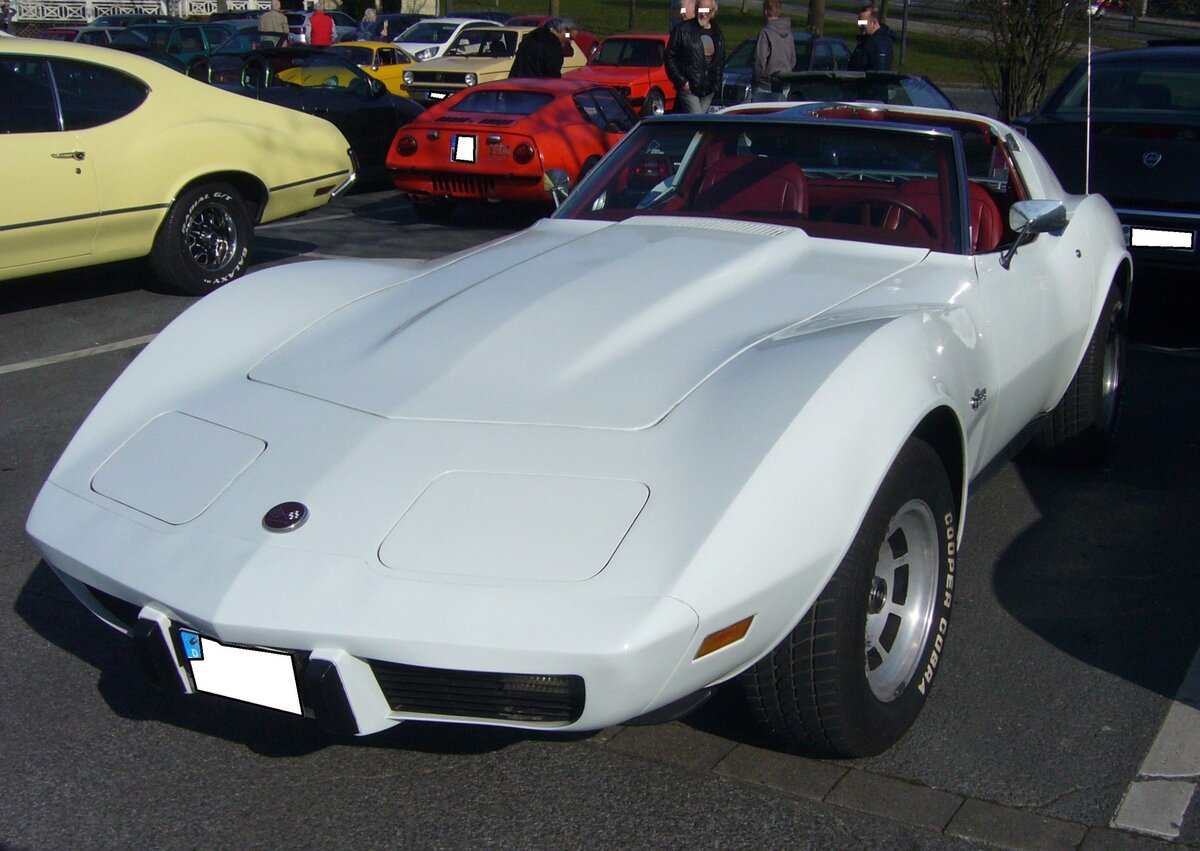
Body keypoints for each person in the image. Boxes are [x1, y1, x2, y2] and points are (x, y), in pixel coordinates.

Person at [664, 0, 725, 113]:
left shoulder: (717, 32)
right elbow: (669, 57)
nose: (703, 14)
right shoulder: (683, 29)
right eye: (700, 10)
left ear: (713, 13)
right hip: (690, 88)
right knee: (697, 121)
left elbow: (720, 60)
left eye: (706, 11)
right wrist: (682, 82)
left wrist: (716, 83)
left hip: (708, 89)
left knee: (695, 123)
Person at [751, 0, 795, 102]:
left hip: (766, 83)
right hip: (785, 81)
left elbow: (759, 61)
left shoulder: (765, 33)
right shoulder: (789, 33)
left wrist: (756, 80)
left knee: (761, 115)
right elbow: (793, 59)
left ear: (765, 12)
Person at [508, 18, 573, 78]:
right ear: (561, 31)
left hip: (517, 82)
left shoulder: (529, 38)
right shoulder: (553, 46)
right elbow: (552, 72)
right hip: (539, 85)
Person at [848, 5, 894, 71]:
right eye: (859, 22)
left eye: (862, 22)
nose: (859, 25)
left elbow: (879, 74)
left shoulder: (881, 44)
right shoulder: (865, 41)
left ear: (873, 23)